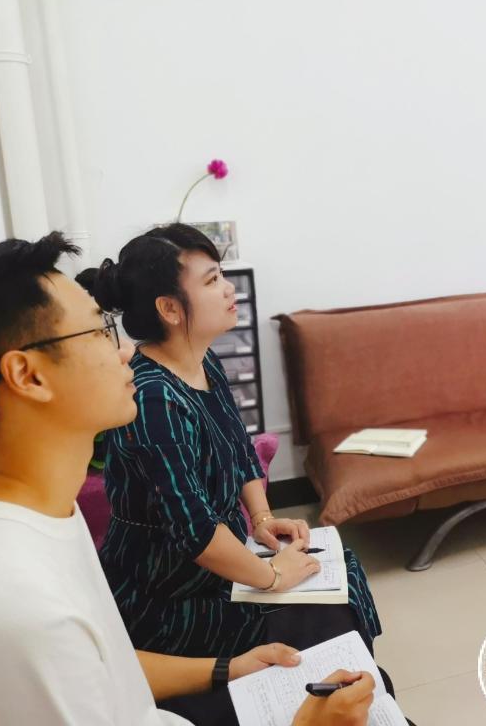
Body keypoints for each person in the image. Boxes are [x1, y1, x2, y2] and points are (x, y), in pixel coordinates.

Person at [0, 233, 374, 725]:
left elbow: (107, 669)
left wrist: (227, 669)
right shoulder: (18, 617)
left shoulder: (27, 507)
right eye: (98, 333)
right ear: (28, 376)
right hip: (171, 597)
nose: (123, 352)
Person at [76, 224, 382, 663]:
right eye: (211, 281)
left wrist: (261, 518)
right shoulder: (153, 398)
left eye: (221, 275)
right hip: (166, 598)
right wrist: (272, 577)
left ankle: (358, 690)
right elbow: (196, 531)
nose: (227, 289)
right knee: (324, 609)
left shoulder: (204, 361)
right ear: (169, 308)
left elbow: (238, 446)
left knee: (341, 571)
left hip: (220, 568)